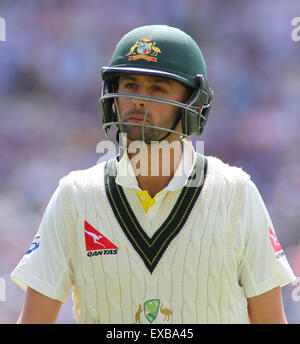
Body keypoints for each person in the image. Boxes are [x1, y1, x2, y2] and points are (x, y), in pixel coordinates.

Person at [11, 25, 295, 324]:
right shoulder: (74, 197)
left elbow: (270, 320)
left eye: (158, 89)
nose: (140, 100)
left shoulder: (237, 193)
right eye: (130, 85)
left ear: (193, 104)